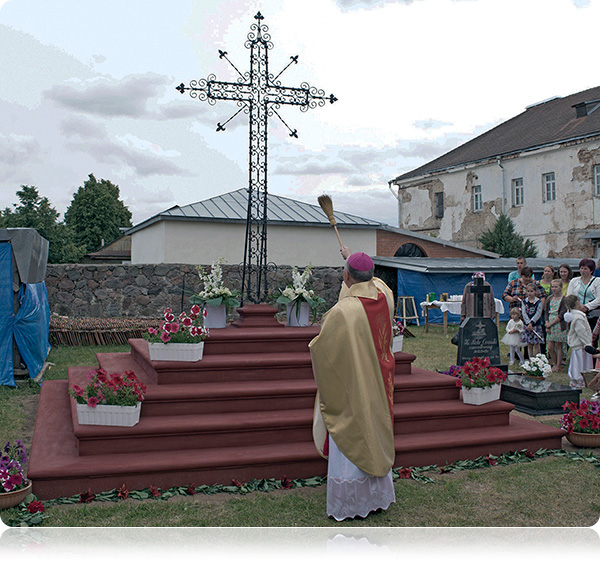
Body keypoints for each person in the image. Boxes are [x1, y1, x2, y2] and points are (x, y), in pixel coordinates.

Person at [310, 251, 396, 521]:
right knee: (376, 431)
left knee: (353, 434)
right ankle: (377, 497)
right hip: (381, 382)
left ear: (346, 276)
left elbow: (324, 349)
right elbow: (376, 281)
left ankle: (350, 504)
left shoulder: (343, 311)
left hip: (355, 384)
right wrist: (353, 257)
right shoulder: (385, 297)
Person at [564, 294, 593, 389]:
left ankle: (581, 380)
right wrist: (587, 344)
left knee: (579, 363)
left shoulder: (575, 316)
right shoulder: (578, 317)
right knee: (579, 364)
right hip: (580, 346)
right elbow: (582, 332)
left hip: (581, 346)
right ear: (577, 303)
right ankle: (579, 380)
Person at [566, 258, 600, 331]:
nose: (582, 271)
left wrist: (587, 306)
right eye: (581, 268)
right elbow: (569, 297)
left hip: (592, 314)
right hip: (576, 312)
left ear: (591, 270)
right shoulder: (574, 281)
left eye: (585, 269)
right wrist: (576, 307)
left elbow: (599, 299)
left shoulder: (597, 281)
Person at [544, 279, 567, 371]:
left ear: (560, 288)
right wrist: (547, 323)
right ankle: (554, 361)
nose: (554, 289)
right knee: (550, 347)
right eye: (552, 287)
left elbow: (561, 315)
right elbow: (546, 312)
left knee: (558, 346)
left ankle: (558, 365)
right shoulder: (549, 298)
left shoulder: (564, 299)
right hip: (549, 323)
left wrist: (551, 324)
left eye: (556, 287)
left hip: (558, 324)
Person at [521, 283, 545, 358]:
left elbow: (538, 313)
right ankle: (531, 359)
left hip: (536, 325)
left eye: (531, 291)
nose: (530, 293)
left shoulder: (539, 302)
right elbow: (524, 313)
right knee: (529, 344)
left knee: (536, 344)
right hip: (528, 326)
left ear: (535, 292)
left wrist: (532, 322)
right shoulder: (524, 301)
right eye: (528, 291)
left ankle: (536, 359)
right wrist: (528, 323)